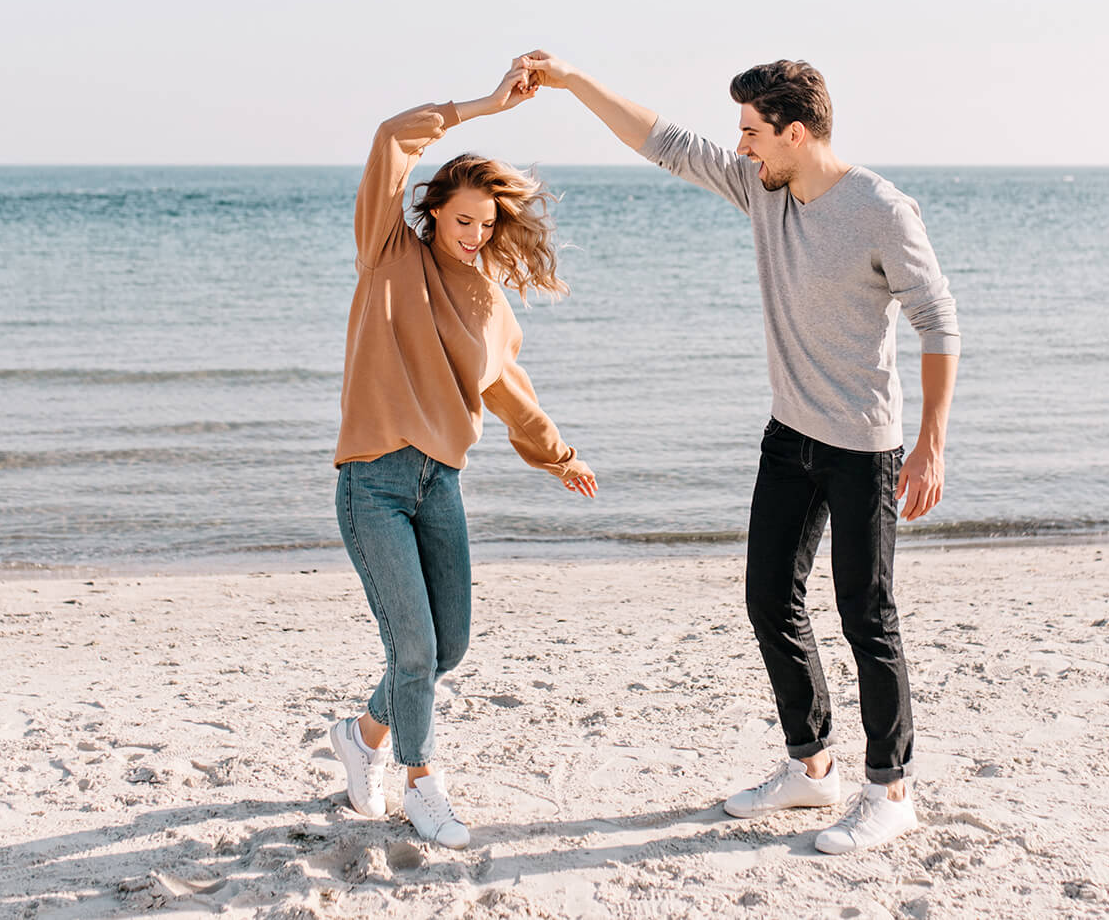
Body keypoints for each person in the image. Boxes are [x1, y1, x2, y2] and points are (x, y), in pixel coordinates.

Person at [518, 51, 958, 854]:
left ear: (795, 132)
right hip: (790, 432)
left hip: (864, 443)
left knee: (868, 614)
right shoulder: (765, 190)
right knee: (769, 600)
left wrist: (929, 445)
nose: (741, 146)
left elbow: (940, 322)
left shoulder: (883, 211)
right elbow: (662, 140)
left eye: (753, 132)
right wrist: (573, 80)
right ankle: (812, 765)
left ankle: (891, 788)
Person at [327, 65, 598, 849]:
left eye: (487, 223)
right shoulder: (388, 251)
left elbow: (508, 388)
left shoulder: (486, 299)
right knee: (412, 647)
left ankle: (362, 735)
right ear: (434, 209)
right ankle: (423, 784)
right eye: (463, 219)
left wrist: (559, 454)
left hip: (438, 482)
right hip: (371, 482)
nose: (475, 234)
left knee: (446, 648)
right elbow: (391, 137)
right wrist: (484, 105)